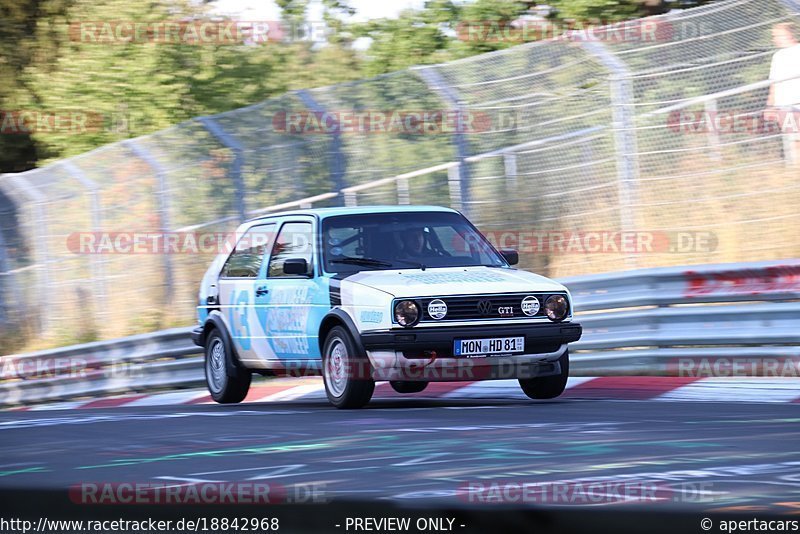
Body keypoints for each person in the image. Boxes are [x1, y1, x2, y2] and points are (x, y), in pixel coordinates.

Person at [765, 23, 800, 164]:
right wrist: (770, 106)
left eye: (777, 35)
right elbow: (774, 84)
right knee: (793, 140)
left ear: (788, 34)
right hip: (784, 104)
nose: (774, 39)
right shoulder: (777, 56)